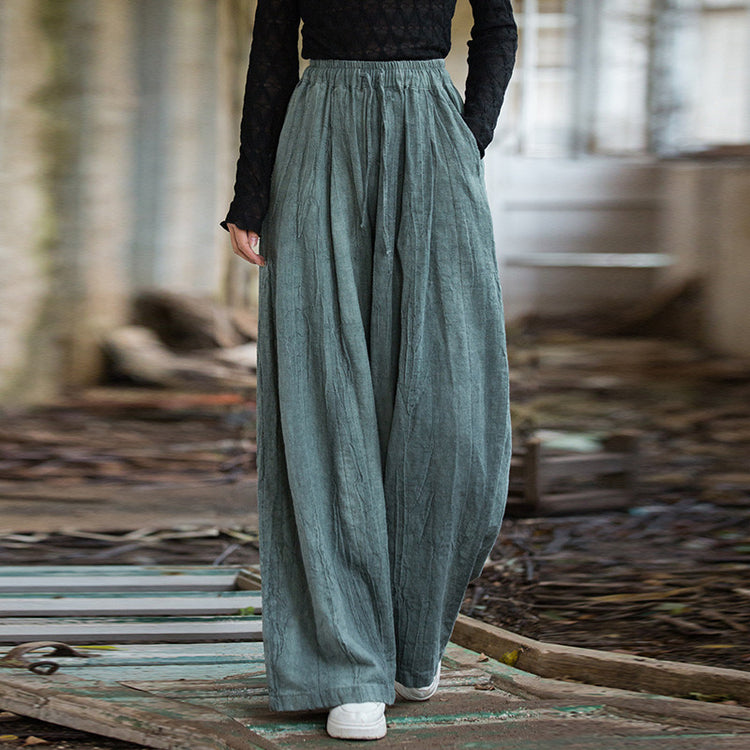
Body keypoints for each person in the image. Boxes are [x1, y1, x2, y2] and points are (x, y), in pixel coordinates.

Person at [221, 0, 517, 741]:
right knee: (322, 394)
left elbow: (497, 28)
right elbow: (269, 54)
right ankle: (348, 666)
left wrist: (467, 136)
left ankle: (414, 636)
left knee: (452, 407)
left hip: (433, 132)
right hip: (319, 133)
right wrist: (251, 191)